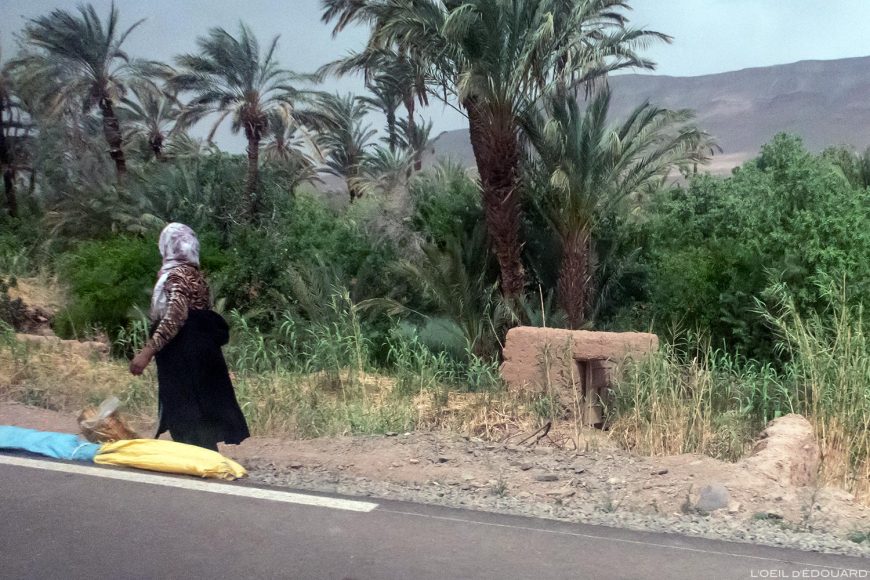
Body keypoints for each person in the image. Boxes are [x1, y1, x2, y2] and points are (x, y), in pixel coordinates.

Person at [129, 223, 249, 451]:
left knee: (185, 416)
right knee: (199, 415)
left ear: (167, 247)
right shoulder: (197, 277)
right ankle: (207, 461)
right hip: (204, 353)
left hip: (182, 356)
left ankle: (199, 464)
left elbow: (175, 315)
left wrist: (146, 353)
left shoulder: (175, 276)